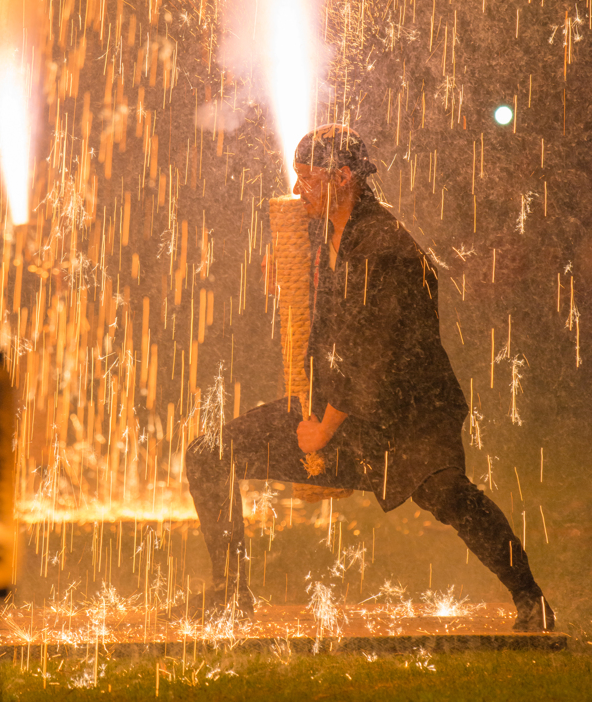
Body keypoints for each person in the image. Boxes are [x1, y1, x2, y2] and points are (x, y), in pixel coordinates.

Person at [184, 124, 554, 631]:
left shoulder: (385, 247)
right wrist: (285, 259)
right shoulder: (330, 229)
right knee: (209, 454)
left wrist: (323, 430)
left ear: (342, 178)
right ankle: (230, 594)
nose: (298, 190)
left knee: (447, 494)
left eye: (308, 178)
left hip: (406, 416)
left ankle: (532, 600)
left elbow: (371, 356)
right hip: (343, 407)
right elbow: (317, 276)